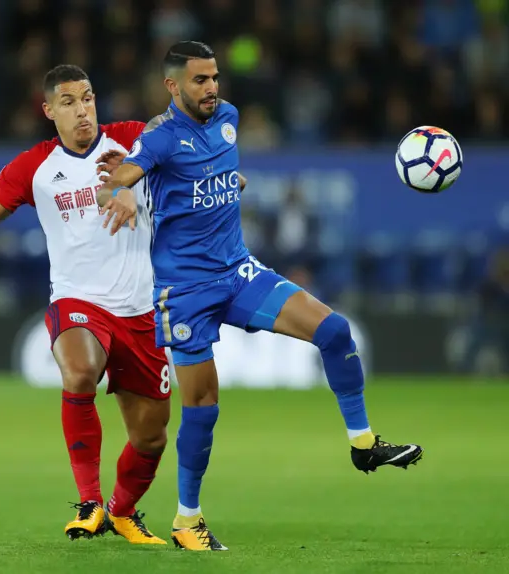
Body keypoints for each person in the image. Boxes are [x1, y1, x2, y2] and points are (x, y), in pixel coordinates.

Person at [97, 41, 424, 551]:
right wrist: (118, 194)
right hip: (184, 291)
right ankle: (188, 520)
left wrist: (229, 180)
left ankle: (364, 445)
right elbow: (122, 176)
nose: (212, 88)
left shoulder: (228, 118)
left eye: (215, 77)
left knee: (334, 331)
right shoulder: (158, 138)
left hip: (239, 271)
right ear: (172, 85)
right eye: (200, 80)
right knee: (203, 404)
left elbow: (217, 171)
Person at [0, 64, 169, 546]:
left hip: (140, 311)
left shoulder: (131, 140)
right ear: (48, 111)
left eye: (87, 98)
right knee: (80, 371)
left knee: (151, 438)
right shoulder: (35, 167)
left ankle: (120, 511)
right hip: (77, 300)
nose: (82, 110)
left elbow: (177, 135)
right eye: (68, 102)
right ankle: (89, 501)